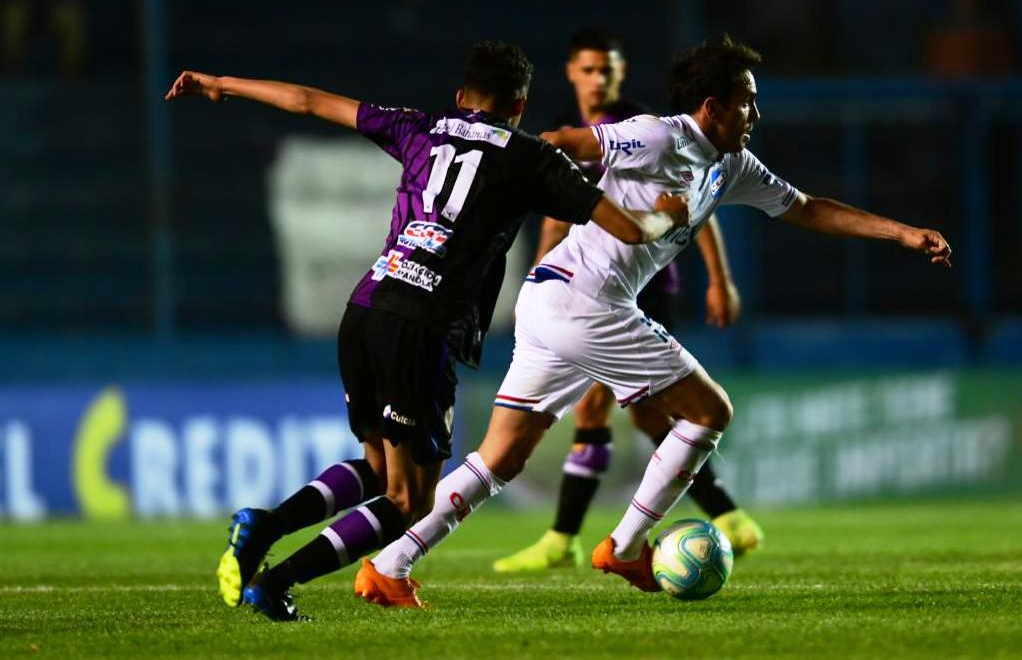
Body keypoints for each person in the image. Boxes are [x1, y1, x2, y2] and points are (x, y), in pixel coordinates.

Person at [355, 35, 952, 608]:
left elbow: (808, 209)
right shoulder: (656, 137)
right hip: (587, 302)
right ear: (712, 107)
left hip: (554, 300)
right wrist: (503, 184)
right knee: (709, 411)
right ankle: (625, 545)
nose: (757, 113)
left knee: (502, 457)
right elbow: (562, 140)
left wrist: (901, 232)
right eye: (747, 101)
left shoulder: (732, 164)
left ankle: (390, 566)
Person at [164, 41, 690, 621]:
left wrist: (220, 82)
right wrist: (669, 212)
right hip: (421, 325)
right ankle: (277, 581)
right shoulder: (530, 157)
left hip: (366, 305)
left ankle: (265, 525)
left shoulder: (419, 126)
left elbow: (307, 100)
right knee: (408, 499)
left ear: (462, 97)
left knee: (375, 468)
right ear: (520, 104)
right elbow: (630, 230)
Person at [493, 28, 761, 574]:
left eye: (608, 69)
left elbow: (693, 204)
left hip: (638, 289)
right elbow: (568, 201)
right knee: (637, 412)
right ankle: (704, 518)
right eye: (590, 69)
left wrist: (718, 277)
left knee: (637, 409)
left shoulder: (644, 127)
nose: (600, 79)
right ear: (571, 72)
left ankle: (572, 537)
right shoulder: (589, 131)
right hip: (585, 286)